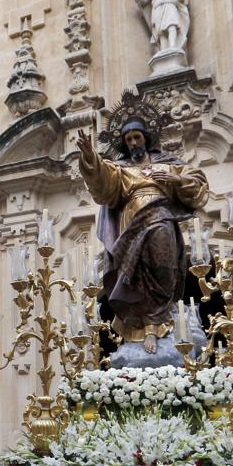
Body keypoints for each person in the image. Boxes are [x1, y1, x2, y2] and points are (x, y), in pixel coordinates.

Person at [75, 116, 208, 353]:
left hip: (162, 221)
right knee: (135, 275)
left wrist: (176, 179)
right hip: (132, 224)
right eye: (129, 140)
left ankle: (158, 321)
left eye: (137, 137)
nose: (134, 143)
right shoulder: (122, 170)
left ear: (146, 138)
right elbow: (103, 178)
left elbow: (197, 182)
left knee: (162, 270)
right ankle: (148, 327)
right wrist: (89, 156)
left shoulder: (166, 164)